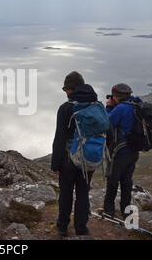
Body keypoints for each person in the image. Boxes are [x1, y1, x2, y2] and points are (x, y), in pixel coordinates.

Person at [51, 71, 98, 236]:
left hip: (68, 159)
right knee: (83, 192)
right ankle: (81, 228)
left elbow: (60, 137)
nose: (66, 93)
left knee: (65, 193)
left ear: (72, 89)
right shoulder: (95, 106)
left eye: (67, 89)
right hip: (89, 158)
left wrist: (55, 163)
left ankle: (62, 227)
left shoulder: (65, 109)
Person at [103, 83, 142, 218]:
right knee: (127, 181)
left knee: (113, 180)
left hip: (120, 152)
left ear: (116, 96)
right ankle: (126, 212)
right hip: (134, 151)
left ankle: (108, 211)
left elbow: (106, 123)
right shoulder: (137, 103)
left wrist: (108, 107)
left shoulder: (121, 109)